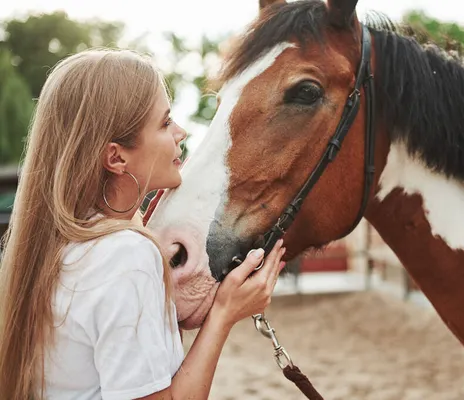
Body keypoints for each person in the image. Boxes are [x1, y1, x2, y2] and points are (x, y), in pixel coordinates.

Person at [0, 48, 286, 400]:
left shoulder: (62, 246)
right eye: (165, 122)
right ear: (116, 157)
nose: (180, 132)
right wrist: (225, 314)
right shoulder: (125, 256)